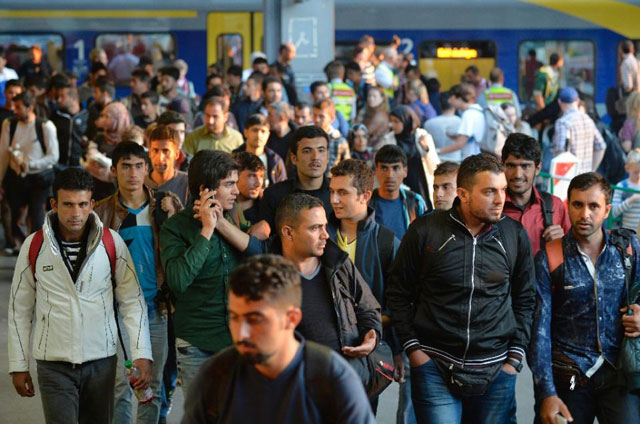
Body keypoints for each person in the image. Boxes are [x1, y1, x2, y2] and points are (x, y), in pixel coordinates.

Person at [386, 153, 536, 424]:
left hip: (496, 367)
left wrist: (514, 358)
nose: (501, 199)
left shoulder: (513, 235)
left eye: (502, 190)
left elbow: (525, 298)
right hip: (435, 365)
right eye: (490, 191)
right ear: (463, 194)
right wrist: (414, 350)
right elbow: (398, 291)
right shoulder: (425, 231)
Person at [8, 167, 153, 424]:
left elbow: (132, 302)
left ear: (92, 204)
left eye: (83, 204)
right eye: (68, 204)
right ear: (54, 204)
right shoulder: (34, 245)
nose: (76, 213)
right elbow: (20, 310)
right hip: (52, 362)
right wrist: (19, 364)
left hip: (101, 361)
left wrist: (141, 352)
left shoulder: (112, 243)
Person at [215, 193, 384, 394]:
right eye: (315, 228)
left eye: (324, 226)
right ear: (288, 232)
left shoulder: (339, 263)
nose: (325, 235)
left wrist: (371, 335)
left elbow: (368, 308)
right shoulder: (263, 278)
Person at [182, 254, 375, 424]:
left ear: (291, 319)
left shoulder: (333, 379)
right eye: (234, 317)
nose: (242, 333)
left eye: (255, 319)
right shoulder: (216, 376)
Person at [530, 172, 640, 424]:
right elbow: (540, 332)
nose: (585, 214)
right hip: (569, 375)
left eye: (594, 206)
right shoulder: (550, 257)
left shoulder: (628, 248)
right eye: (578, 205)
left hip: (618, 373)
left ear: (607, 209)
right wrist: (546, 392)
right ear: (567, 205)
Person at [94, 142, 181, 424]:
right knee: (122, 386)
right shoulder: (101, 213)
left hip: (157, 308)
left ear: (147, 168)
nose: (132, 173)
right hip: (117, 310)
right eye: (125, 166)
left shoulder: (164, 206)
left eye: (138, 166)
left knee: (152, 387)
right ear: (114, 170)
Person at [159, 150, 245, 398]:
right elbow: (178, 281)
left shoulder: (234, 216)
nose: (236, 191)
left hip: (236, 341)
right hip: (196, 344)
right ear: (204, 189)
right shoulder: (175, 227)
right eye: (229, 185)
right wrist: (207, 230)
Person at [0, 92, 58, 241]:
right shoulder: (9, 125)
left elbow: (53, 156)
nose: (14, 110)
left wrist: (31, 164)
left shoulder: (45, 126)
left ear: (30, 107)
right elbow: (3, 155)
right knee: (16, 219)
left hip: (39, 179)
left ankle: (36, 251)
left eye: (19, 107)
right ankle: (21, 250)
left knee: (37, 217)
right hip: (17, 178)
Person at [502, 133, 570, 256]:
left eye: (525, 166)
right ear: (503, 166)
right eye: (511, 166)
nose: (517, 174)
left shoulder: (554, 205)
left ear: (538, 168)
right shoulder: (493, 206)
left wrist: (564, 242)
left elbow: (574, 252)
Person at [259, 125, 332, 230]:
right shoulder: (274, 195)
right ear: (294, 158)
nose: (315, 157)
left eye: (321, 150)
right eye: (307, 151)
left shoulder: (339, 194)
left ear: (328, 156)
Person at [382, 105, 439, 205]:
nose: (392, 125)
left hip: (422, 182)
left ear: (406, 121)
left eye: (396, 122)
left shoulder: (421, 136)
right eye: (391, 121)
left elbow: (435, 166)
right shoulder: (389, 140)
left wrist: (426, 149)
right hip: (401, 184)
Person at [369, 145, 428, 240]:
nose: (390, 175)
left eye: (395, 168)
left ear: (405, 171)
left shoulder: (416, 202)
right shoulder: (365, 203)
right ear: (376, 171)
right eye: (384, 168)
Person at [552, 87, 606, 175]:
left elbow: (560, 152)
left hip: (569, 178)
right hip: (586, 178)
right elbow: (601, 146)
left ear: (559, 102)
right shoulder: (588, 120)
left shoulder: (562, 122)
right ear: (577, 101)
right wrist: (592, 170)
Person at [237, 113, 287, 187]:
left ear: (268, 135)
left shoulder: (276, 161)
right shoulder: (234, 158)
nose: (259, 135)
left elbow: (283, 188)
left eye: (263, 131)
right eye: (255, 130)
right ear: (246, 132)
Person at [145, 125, 190, 205]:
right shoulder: (140, 183)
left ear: (177, 154)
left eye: (165, 151)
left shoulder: (187, 184)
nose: (160, 158)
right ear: (149, 153)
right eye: (155, 151)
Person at [438, 83, 485, 160]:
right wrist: (457, 137)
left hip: (471, 159)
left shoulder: (468, 114)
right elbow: (471, 137)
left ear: (459, 98)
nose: (449, 101)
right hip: (477, 157)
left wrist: (438, 151)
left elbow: (460, 144)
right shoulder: (478, 111)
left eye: (451, 97)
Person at [51, 83, 88, 171]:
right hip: (58, 165)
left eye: (62, 96)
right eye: (58, 96)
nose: (59, 100)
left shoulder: (86, 116)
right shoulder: (55, 115)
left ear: (73, 98)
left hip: (80, 166)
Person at [313, 99, 350, 172]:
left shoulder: (339, 141)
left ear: (332, 118)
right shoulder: (305, 137)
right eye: (314, 115)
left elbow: (348, 169)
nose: (317, 119)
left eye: (321, 116)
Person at [424, 92, 463, 163]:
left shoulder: (428, 124)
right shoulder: (461, 122)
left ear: (440, 104)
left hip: (435, 163)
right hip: (457, 162)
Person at [233, 151, 265, 224]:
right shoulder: (221, 207)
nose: (258, 183)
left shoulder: (266, 210)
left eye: (261, 176)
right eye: (252, 176)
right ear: (235, 176)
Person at [612, 148, 640, 231]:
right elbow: (613, 213)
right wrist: (631, 200)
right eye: (636, 172)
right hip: (627, 233)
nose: (639, 175)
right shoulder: (622, 186)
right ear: (627, 169)